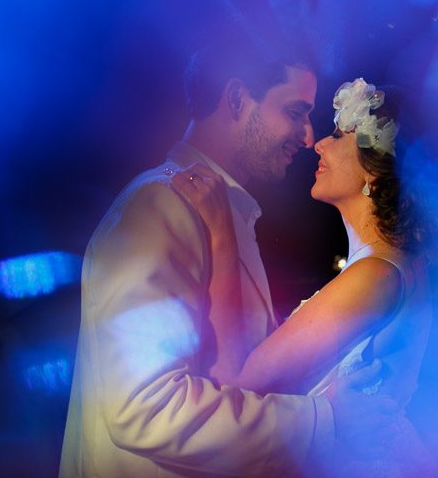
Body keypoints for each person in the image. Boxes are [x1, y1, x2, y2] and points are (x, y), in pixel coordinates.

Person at [59, 36, 399, 478]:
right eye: (294, 112)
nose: (308, 137)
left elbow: (237, 374)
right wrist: (318, 423)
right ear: (237, 99)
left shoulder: (223, 212)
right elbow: (144, 407)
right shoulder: (158, 205)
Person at [171, 78, 438, 477]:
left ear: (375, 170)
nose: (319, 144)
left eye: (339, 135)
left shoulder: (377, 274)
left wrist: (222, 235)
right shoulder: (398, 267)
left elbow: (237, 384)